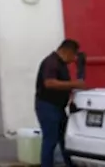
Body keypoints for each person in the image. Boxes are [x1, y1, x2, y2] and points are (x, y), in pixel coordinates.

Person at [36, 38, 84, 167]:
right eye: (74, 55)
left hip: (58, 107)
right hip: (47, 106)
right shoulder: (51, 62)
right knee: (50, 139)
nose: (74, 59)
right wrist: (74, 84)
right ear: (67, 51)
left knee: (65, 138)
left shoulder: (61, 64)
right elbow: (49, 83)